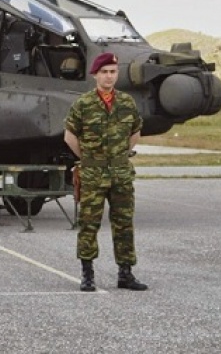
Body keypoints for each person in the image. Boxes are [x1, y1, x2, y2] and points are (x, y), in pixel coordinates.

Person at [64, 52, 147, 292]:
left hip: (121, 174)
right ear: (95, 75)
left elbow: (135, 133)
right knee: (89, 224)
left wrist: (119, 156)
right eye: (104, 72)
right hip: (93, 174)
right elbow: (70, 137)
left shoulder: (127, 102)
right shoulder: (83, 104)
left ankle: (125, 273)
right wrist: (90, 159)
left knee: (124, 224)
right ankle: (87, 274)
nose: (109, 76)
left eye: (112, 72)